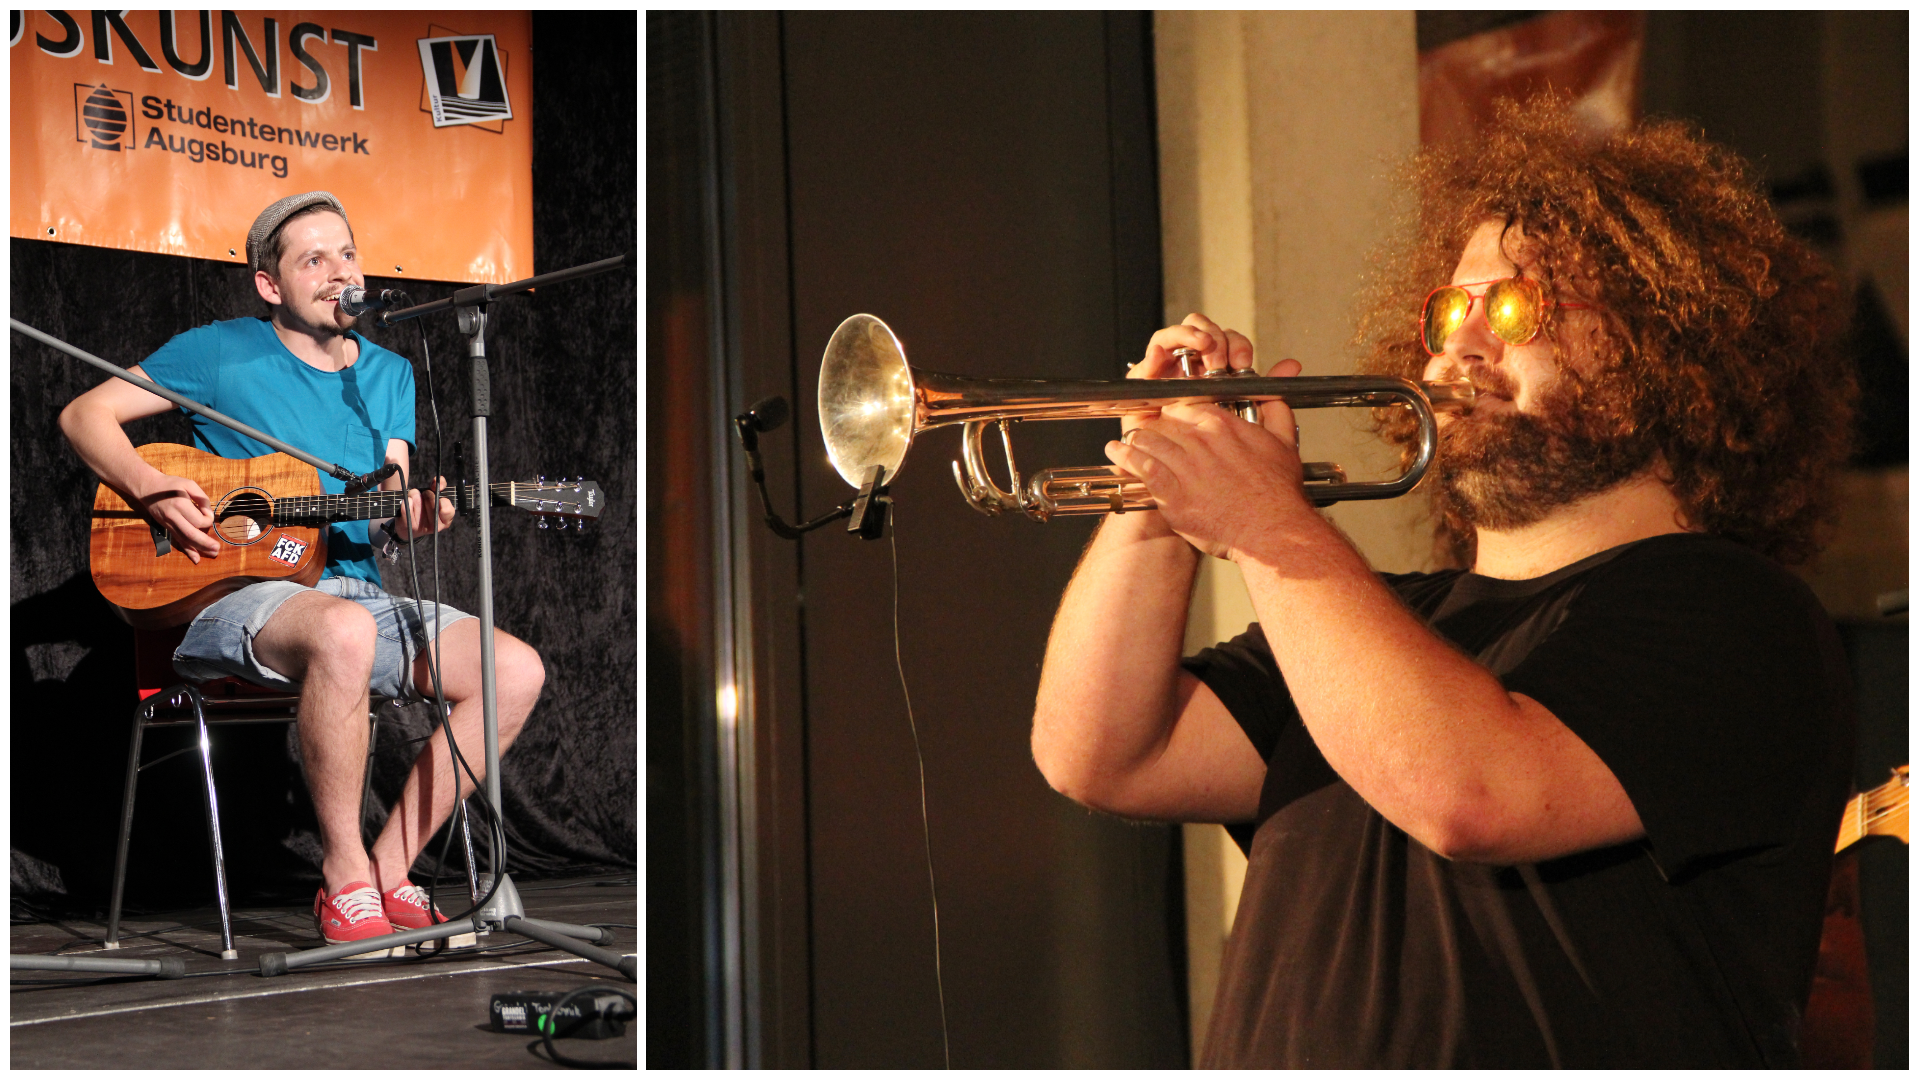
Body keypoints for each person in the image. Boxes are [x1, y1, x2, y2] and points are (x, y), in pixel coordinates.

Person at [1031, 102, 1858, 1067]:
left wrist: (1265, 523)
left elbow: (1476, 795)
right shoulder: (1386, 623)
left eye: (1515, 308)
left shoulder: (1741, 616)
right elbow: (1105, 752)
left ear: (1663, 349)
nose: (1461, 347)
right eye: (1449, 311)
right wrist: (1157, 483)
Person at [60, 191, 546, 954]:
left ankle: (389, 868)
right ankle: (344, 874)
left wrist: (411, 516)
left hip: (353, 592)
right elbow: (84, 415)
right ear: (269, 284)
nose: (337, 272)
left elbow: (385, 503)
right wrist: (148, 487)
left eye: (346, 254)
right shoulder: (218, 351)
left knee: (513, 669)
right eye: (313, 259)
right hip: (226, 594)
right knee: (344, 631)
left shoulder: (385, 374)